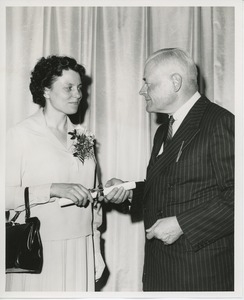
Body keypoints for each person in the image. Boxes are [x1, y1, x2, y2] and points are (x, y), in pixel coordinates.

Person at [105, 48, 234, 291]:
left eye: (147, 83)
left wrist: (182, 224)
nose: (142, 90)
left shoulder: (219, 122)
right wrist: (130, 190)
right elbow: (173, 186)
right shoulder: (163, 130)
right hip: (162, 272)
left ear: (176, 82)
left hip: (200, 274)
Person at [5, 55, 104, 291]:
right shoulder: (20, 135)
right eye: (68, 87)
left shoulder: (83, 138)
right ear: (46, 91)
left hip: (81, 247)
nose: (78, 94)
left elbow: (94, 203)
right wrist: (52, 189)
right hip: (38, 249)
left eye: (79, 88)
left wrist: (96, 250)